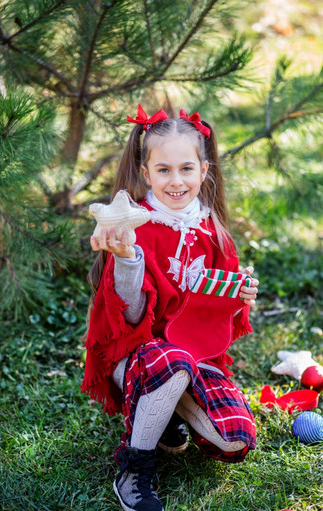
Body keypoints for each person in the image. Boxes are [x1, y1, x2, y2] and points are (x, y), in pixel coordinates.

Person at [81, 105, 259, 511]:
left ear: (204, 169)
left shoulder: (213, 232)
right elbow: (127, 317)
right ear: (146, 174)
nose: (176, 181)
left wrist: (236, 299)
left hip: (193, 356)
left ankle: (166, 414)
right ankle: (134, 465)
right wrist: (128, 259)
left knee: (233, 438)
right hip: (139, 355)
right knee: (172, 362)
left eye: (186, 169)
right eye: (163, 170)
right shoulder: (134, 228)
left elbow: (213, 323)